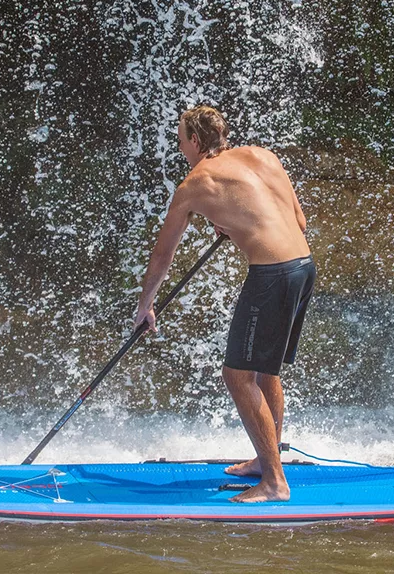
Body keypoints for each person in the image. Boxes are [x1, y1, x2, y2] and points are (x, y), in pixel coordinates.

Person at [133, 105, 315, 503]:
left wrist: (146, 306)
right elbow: (298, 222)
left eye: (181, 139)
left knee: (237, 375)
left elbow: (163, 256)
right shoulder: (263, 156)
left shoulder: (195, 183)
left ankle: (273, 482)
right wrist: (237, 223)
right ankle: (266, 459)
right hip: (304, 268)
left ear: (195, 141)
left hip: (273, 276)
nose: (180, 147)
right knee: (265, 369)